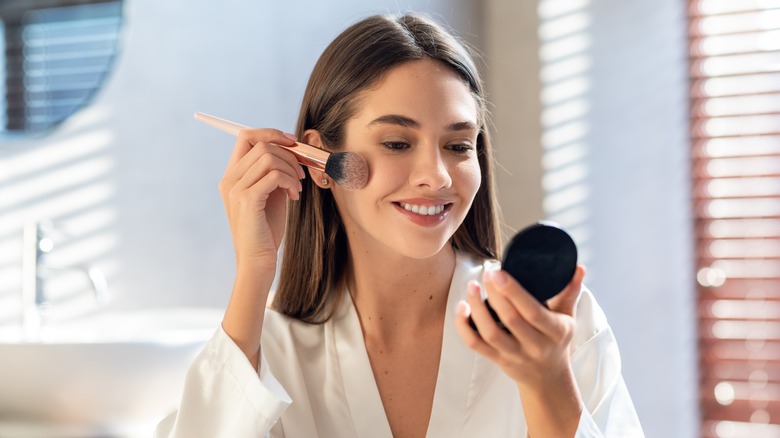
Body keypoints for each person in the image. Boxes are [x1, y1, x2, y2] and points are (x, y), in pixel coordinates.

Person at [156, 13, 643, 437]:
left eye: (458, 146)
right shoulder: (268, 352)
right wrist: (254, 271)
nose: (437, 176)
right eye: (396, 143)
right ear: (320, 160)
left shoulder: (553, 324)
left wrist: (548, 385)